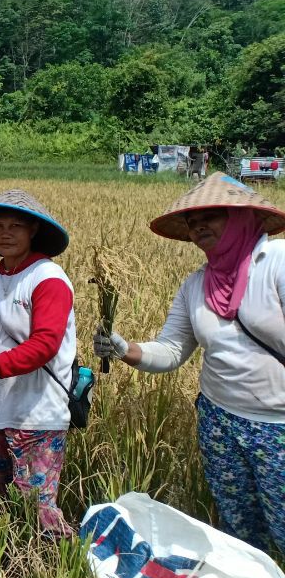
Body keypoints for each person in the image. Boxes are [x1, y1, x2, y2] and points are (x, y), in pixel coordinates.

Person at [94, 174, 285, 554]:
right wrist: (122, 348)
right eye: (193, 221)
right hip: (221, 422)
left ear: (243, 218)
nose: (199, 227)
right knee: (240, 531)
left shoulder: (277, 262)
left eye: (211, 216)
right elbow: (171, 350)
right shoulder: (196, 285)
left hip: (278, 429)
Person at [0, 189, 78, 538]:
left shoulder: (48, 278)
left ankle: (54, 572)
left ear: (33, 231)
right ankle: (7, 566)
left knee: (37, 505)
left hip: (38, 411)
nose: (5, 233)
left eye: (16, 226)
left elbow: (45, 345)